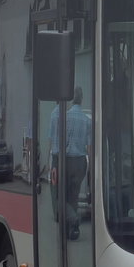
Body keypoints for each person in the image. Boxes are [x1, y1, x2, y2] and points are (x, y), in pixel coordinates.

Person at [48, 86, 91, 240]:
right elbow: (89, 146)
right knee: (73, 196)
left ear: (71, 99)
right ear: (82, 99)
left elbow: (59, 142)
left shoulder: (65, 117)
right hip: (80, 161)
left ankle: (73, 219)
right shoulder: (86, 120)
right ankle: (71, 231)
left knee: (60, 196)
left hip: (66, 160)